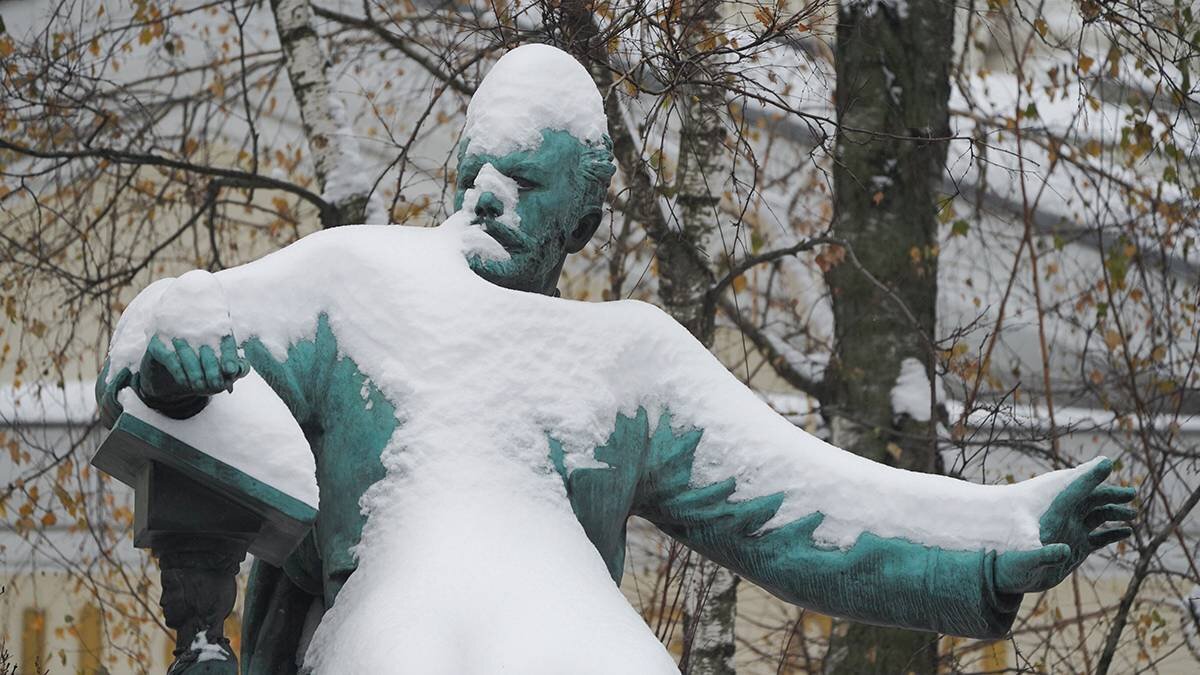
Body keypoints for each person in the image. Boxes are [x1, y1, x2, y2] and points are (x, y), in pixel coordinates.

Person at [97, 44, 1134, 673]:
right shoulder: (358, 283)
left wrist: (1004, 537)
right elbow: (167, 327)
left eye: (528, 182)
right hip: (402, 636)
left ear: (584, 219)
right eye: (476, 171)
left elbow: (806, 511)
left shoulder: (623, 356)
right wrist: (174, 336)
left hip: (576, 648)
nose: (489, 196)